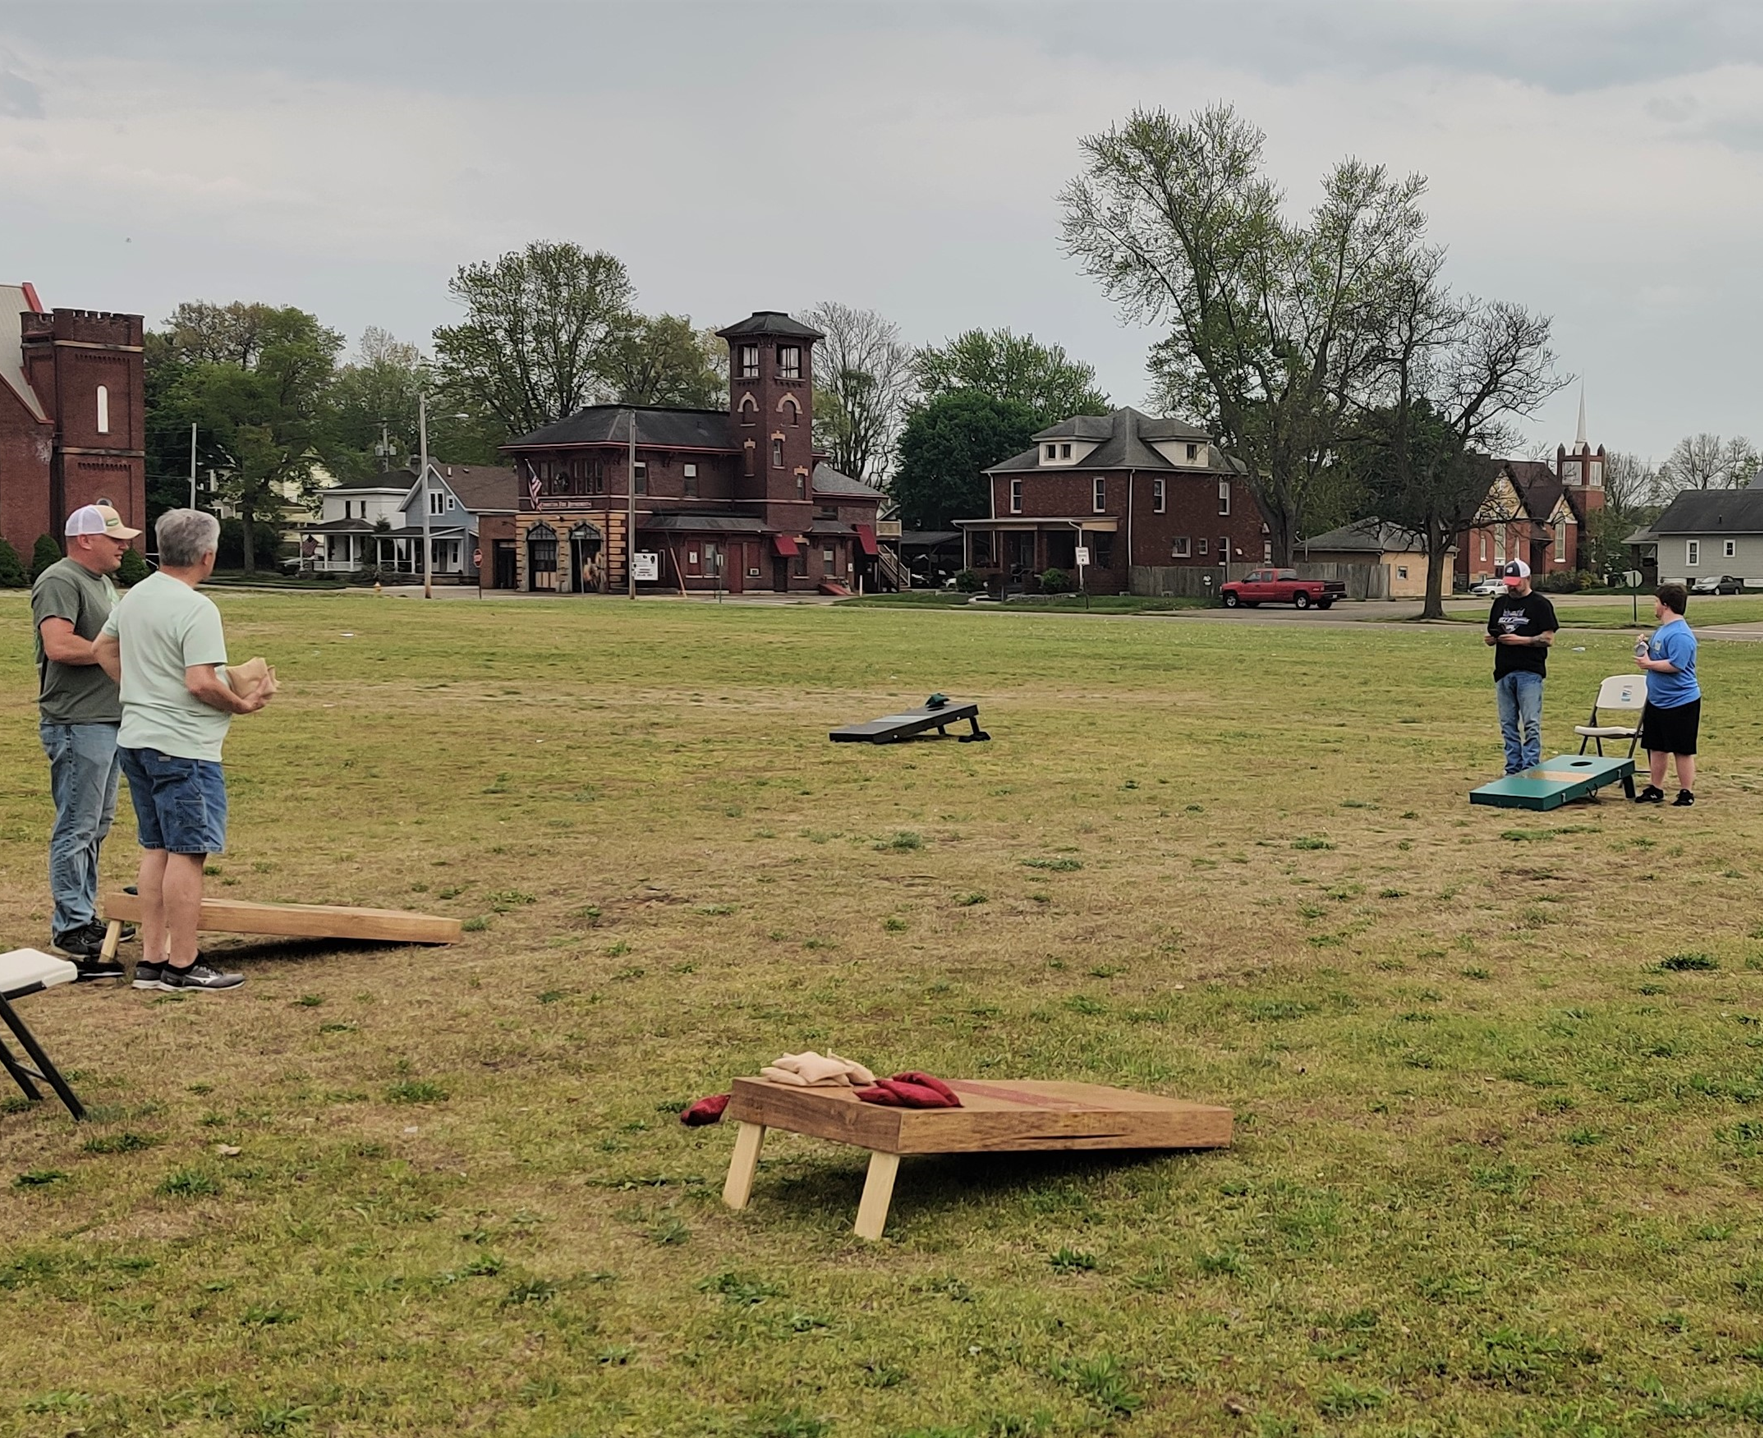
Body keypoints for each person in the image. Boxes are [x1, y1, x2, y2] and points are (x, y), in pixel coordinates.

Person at [93, 509, 277, 992]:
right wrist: (242, 704)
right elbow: (200, 682)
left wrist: (139, 691)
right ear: (207, 556)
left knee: (155, 847)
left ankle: (153, 961)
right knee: (188, 852)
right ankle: (184, 964)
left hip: (136, 738)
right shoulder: (197, 608)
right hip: (184, 748)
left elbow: (102, 650)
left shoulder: (136, 597)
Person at [30, 503, 141, 974]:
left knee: (96, 825)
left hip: (106, 720)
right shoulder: (61, 579)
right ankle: (72, 928)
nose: (124, 545)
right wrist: (113, 651)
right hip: (77, 722)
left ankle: (85, 916)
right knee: (77, 825)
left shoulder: (101, 582)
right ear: (85, 540)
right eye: (114, 538)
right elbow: (58, 645)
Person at [1484, 559, 1558, 774]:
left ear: (1527, 579)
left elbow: (1548, 638)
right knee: (1508, 724)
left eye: (1515, 582)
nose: (1511, 587)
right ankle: (1513, 768)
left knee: (1530, 723)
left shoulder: (1540, 604)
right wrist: (1492, 639)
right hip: (1504, 671)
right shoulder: (1500, 603)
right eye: (1508, 583)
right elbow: (1493, 630)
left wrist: (1522, 640)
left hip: (1529, 671)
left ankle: (1531, 766)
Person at [1634, 582, 1700, 805]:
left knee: (1682, 749)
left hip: (1681, 701)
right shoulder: (1662, 630)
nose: (1654, 606)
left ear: (1665, 605)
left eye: (1655, 601)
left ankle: (1686, 792)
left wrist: (1648, 665)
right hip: (1657, 700)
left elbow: (1677, 664)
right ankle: (1656, 788)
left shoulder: (1681, 634)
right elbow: (1658, 655)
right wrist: (1645, 648)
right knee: (1656, 746)